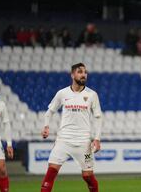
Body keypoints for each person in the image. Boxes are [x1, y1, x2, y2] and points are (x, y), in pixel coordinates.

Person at [40, 63, 102, 192]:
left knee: (88, 176)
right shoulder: (62, 93)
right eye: (80, 72)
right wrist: (46, 126)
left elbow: (98, 117)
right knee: (51, 172)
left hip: (84, 143)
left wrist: (97, 138)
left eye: (85, 72)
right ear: (72, 75)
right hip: (63, 140)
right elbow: (50, 111)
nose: (83, 74)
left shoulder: (92, 94)